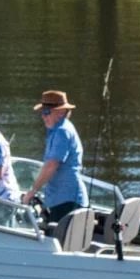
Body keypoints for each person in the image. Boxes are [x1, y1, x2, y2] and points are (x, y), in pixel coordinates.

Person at [22, 89, 88, 231]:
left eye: (46, 112)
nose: (43, 116)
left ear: (61, 112)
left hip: (67, 200)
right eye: (42, 112)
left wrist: (32, 191)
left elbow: (51, 165)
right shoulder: (58, 129)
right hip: (61, 199)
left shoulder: (62, 131)